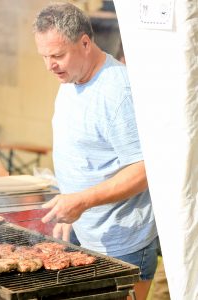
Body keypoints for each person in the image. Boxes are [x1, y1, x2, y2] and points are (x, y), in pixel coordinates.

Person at [33, 3, 158, 300]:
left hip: (124, 245)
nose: (50, 65)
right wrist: (73, 216)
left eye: (57, 55)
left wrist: (82, 201)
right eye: (44, 57)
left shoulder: (118, 91)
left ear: (85, 43)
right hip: (84, 231)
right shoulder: (70, 78)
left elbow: (144, 170)